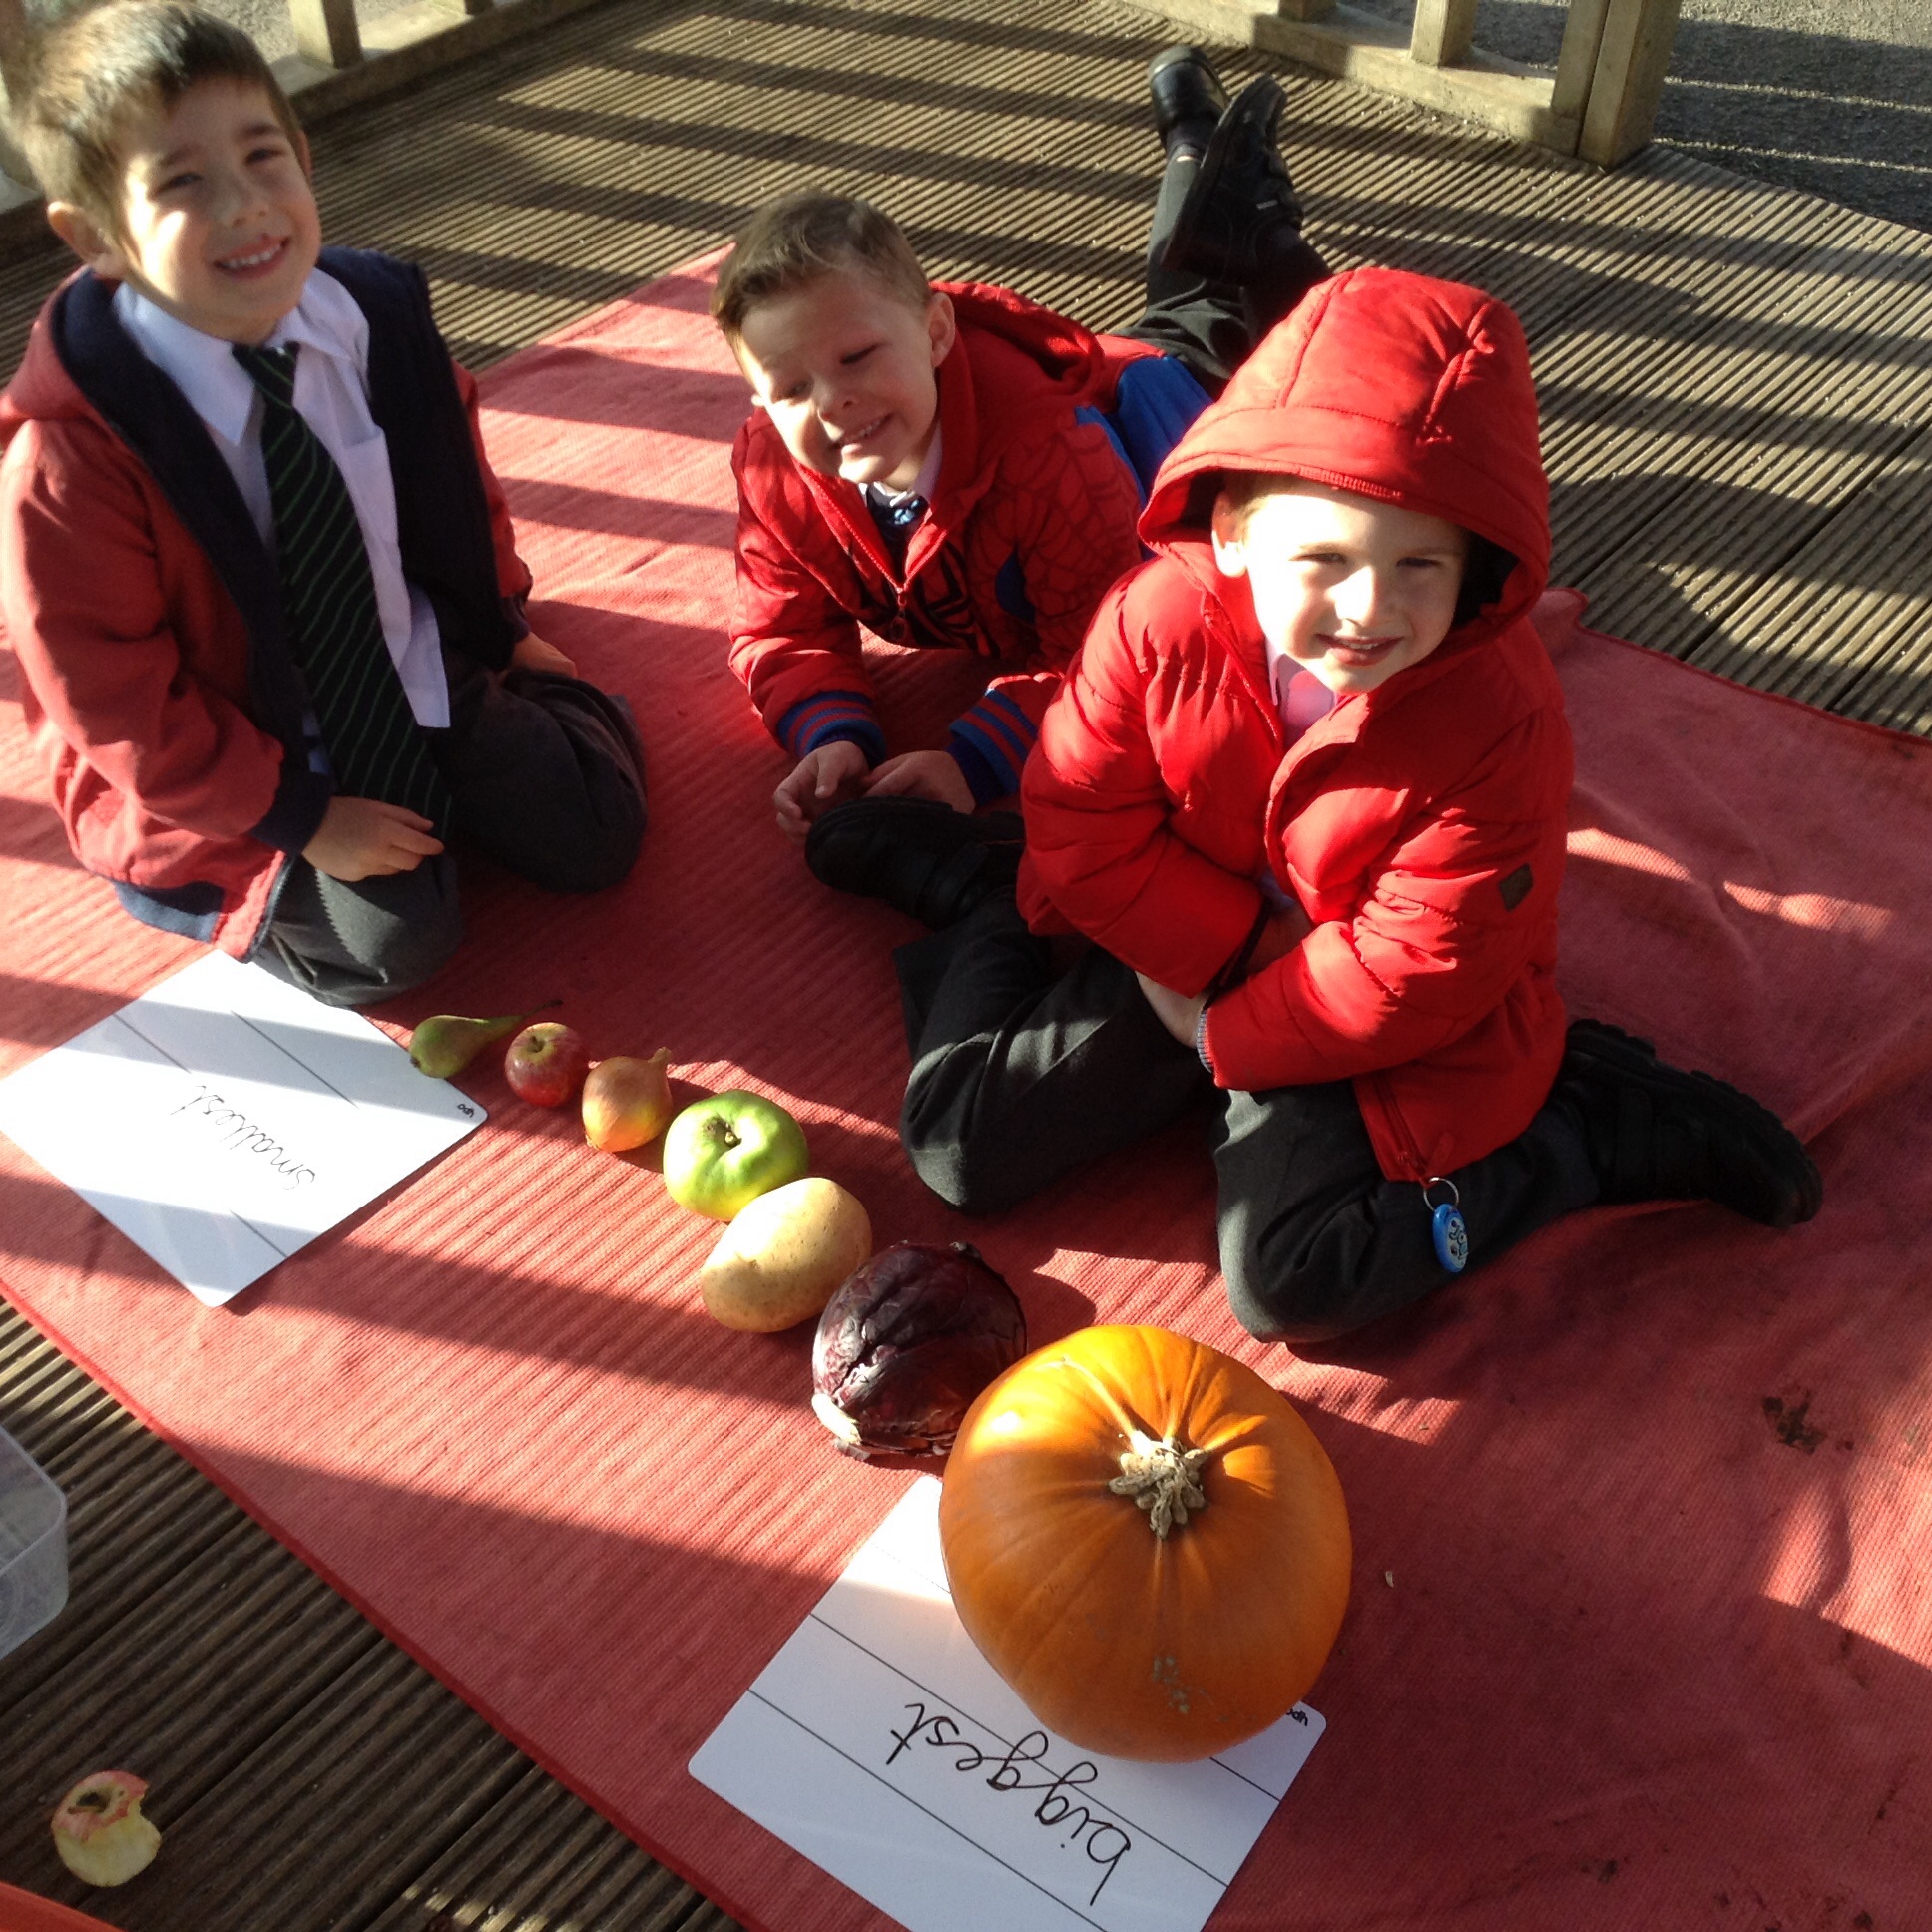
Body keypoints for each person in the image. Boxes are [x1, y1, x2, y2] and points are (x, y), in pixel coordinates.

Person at [877, 266, 1822, 1342]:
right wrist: (1220, 954)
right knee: (954, 1146)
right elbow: (1080, 818)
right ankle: (983, 895)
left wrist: (1228, 1035)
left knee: (1292, 1279)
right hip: (1182, 935)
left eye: (1418, 563)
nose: (1368, 608)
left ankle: (1580, 1133)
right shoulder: (1152, 617)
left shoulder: (1497, 719)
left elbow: (1413, 966)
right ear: (1230, 531)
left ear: (1477, 571)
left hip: (1350, 1003)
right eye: (1322, 557)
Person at [1, 1, 646, 1008]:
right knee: (400, 946)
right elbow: (115, 702)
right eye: (181, 183)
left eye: (264, 158)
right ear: (97, 236)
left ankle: (470, 755)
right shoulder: (72, 459)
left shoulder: (375, 322)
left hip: (409, 663)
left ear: (303, 154)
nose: (245, 206)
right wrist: (302, 814)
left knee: (596, 831)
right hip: (233, 753)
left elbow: (456, 492)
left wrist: (501, 621)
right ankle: (302, 860)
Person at [710, 48, 1328, 905]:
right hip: (1080, 411)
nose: (834, 401)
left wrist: (975, 754)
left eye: (856, 356)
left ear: (935, 333)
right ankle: (1197, 146)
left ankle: (1234, 185)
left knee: (1242, 310)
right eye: (789, 387)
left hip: (1166, 411)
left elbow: (1110, 648)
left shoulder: (1048, 458)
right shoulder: (772, 473)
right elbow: (780, 630)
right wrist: (831, 731)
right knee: (1184, 289)